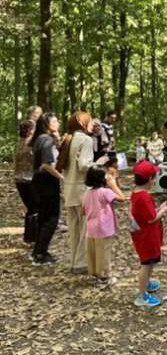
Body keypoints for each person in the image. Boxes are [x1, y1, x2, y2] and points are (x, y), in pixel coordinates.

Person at [130, 160, 167, 308]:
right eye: (154, 177)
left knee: (149, 262)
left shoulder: (136, 193)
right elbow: (151, 218)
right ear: (149, 179)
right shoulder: (143, 196)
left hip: (145, 235)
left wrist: (158, 208)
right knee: (147, 264)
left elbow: (147, 214)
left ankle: (146, 284)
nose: (155, 180)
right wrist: (163, 210)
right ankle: (142, 296)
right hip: (146, 237)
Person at [57, 111, 95, 274]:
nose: (92, 124)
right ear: (83, 123)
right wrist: (97, 165)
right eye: (90, 121)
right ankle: (81, 263)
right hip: (81, 190)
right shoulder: (85, 140)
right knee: (85, 228)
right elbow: (84, 165)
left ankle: (74, 261)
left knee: (74, 229)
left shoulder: (67, 139)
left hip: (69, 189)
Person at [30, 112, 63, 265]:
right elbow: (46, 165)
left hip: (39, 181)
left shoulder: (40, 139)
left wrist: (57, 135)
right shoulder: (46, 140)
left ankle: (38, 252)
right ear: (46, 124)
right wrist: (62, 177)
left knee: (43, 216)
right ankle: (41, 254)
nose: (58, 123)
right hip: (46, 181)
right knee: (51, 218)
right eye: (55, 121)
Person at [82, 166, 125, 287]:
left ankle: (95, 274)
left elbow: (83, 211)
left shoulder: (87, 193)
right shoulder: (105, 192)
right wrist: (113, 185)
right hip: (104, 228)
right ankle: (104, 277)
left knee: (93, 252)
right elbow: (122, 198)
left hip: (91, 228)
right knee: (104, 252)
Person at [15, 120, 38, 244]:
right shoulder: (31, 144)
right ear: (30, 130)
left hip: (19, 180)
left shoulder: (20, 143)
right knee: (36, 208)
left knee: (31, 208)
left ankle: (28, 237)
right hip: (29, 180)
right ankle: (34, 237)